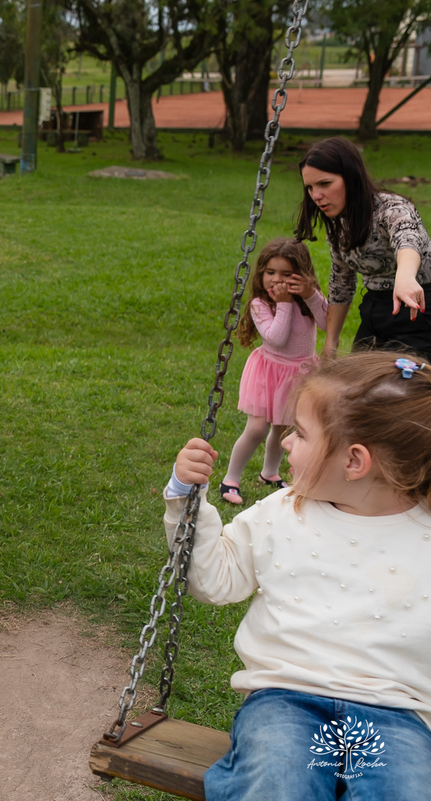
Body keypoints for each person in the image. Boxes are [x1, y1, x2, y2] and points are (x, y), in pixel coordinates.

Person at [169, 351, 431, 800]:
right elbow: (215, 580)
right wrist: (184, 498)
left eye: (302, 433)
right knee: (278, 783)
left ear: (354, 462)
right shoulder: (282, 513)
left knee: (406, 791)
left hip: (397, 713)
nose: (285, 442)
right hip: (286, 702)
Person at [296, 136, 431, 360]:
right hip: (375, 311)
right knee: (354, 386)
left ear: (351, 177)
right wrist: (331, 342)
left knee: (400, 390)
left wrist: (405, 277)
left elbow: (407, 238)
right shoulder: (339, 222)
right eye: (309, 187)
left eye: (325, 184)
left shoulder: (392, 208)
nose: (316, 196)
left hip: (418, 309)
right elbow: (342, 282)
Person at [219, 238, 327, 505]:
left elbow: (327, 322)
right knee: (257, 428)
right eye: (270, 273)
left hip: (299, 374)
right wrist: (285, 303)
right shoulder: (261, 304)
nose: (276, 280)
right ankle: (230, 478)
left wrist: (311, 294)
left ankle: (269, 473)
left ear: (301, 274)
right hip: (269, 373)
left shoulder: (307, 299)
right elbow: (276, 338)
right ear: (261, 274)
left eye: (286, 274)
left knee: (282, 430)